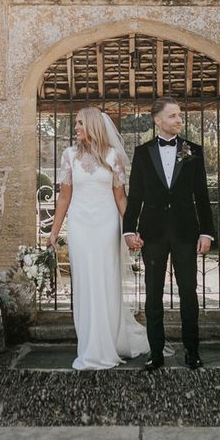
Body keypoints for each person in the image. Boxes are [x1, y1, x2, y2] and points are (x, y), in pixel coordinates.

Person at [48, 107, 150, 370]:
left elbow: (120, 198)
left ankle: (110, 343)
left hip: (107, 227)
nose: (76, 127)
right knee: (85, 282)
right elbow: (64, 197)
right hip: (80, 227)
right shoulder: (69, 156)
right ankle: (90, 346)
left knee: (106, 281)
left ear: (93, 125)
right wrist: (54, 231)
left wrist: (131, 230)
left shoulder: (113, 156)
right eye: (76, 123)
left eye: (80, 123)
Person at [123, 96, 216, 370]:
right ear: (158, 120)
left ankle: (192, 351)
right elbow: (136, 194)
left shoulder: (193, 150)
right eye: (173, 115)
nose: (179, 120)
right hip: (152, 233)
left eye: (179, 115)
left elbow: (202, 195)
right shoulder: (142, 153)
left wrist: (207, 233)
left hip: (186, 232)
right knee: (153, 295)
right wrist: (129, 229)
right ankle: (155, 353)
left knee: (189, 292)